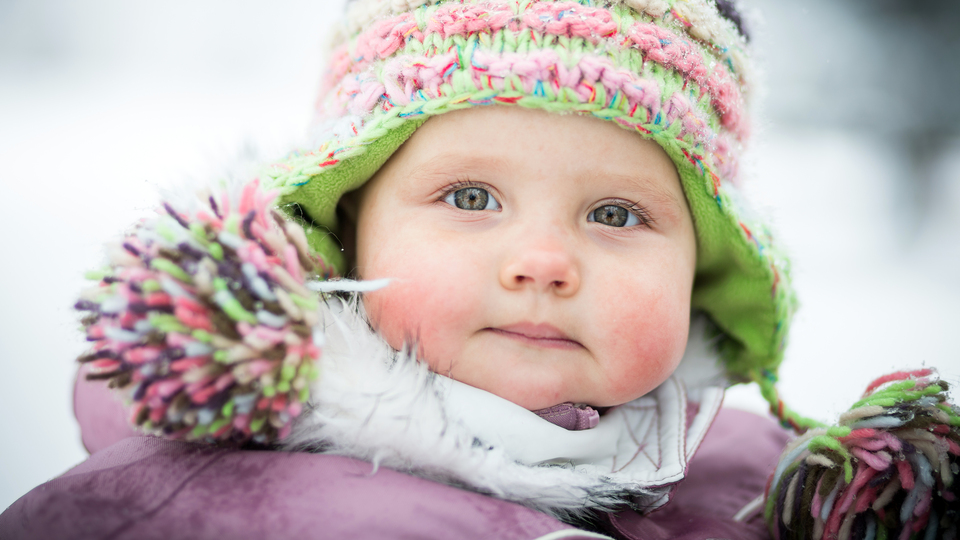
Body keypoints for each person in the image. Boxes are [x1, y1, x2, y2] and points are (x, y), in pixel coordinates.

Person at [1, 1, 803, 538]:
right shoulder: (197, 503)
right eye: (471, 196)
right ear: (348, 228)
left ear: (702, 264)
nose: (543, 263)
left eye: (615, 215)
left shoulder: (761, 481)